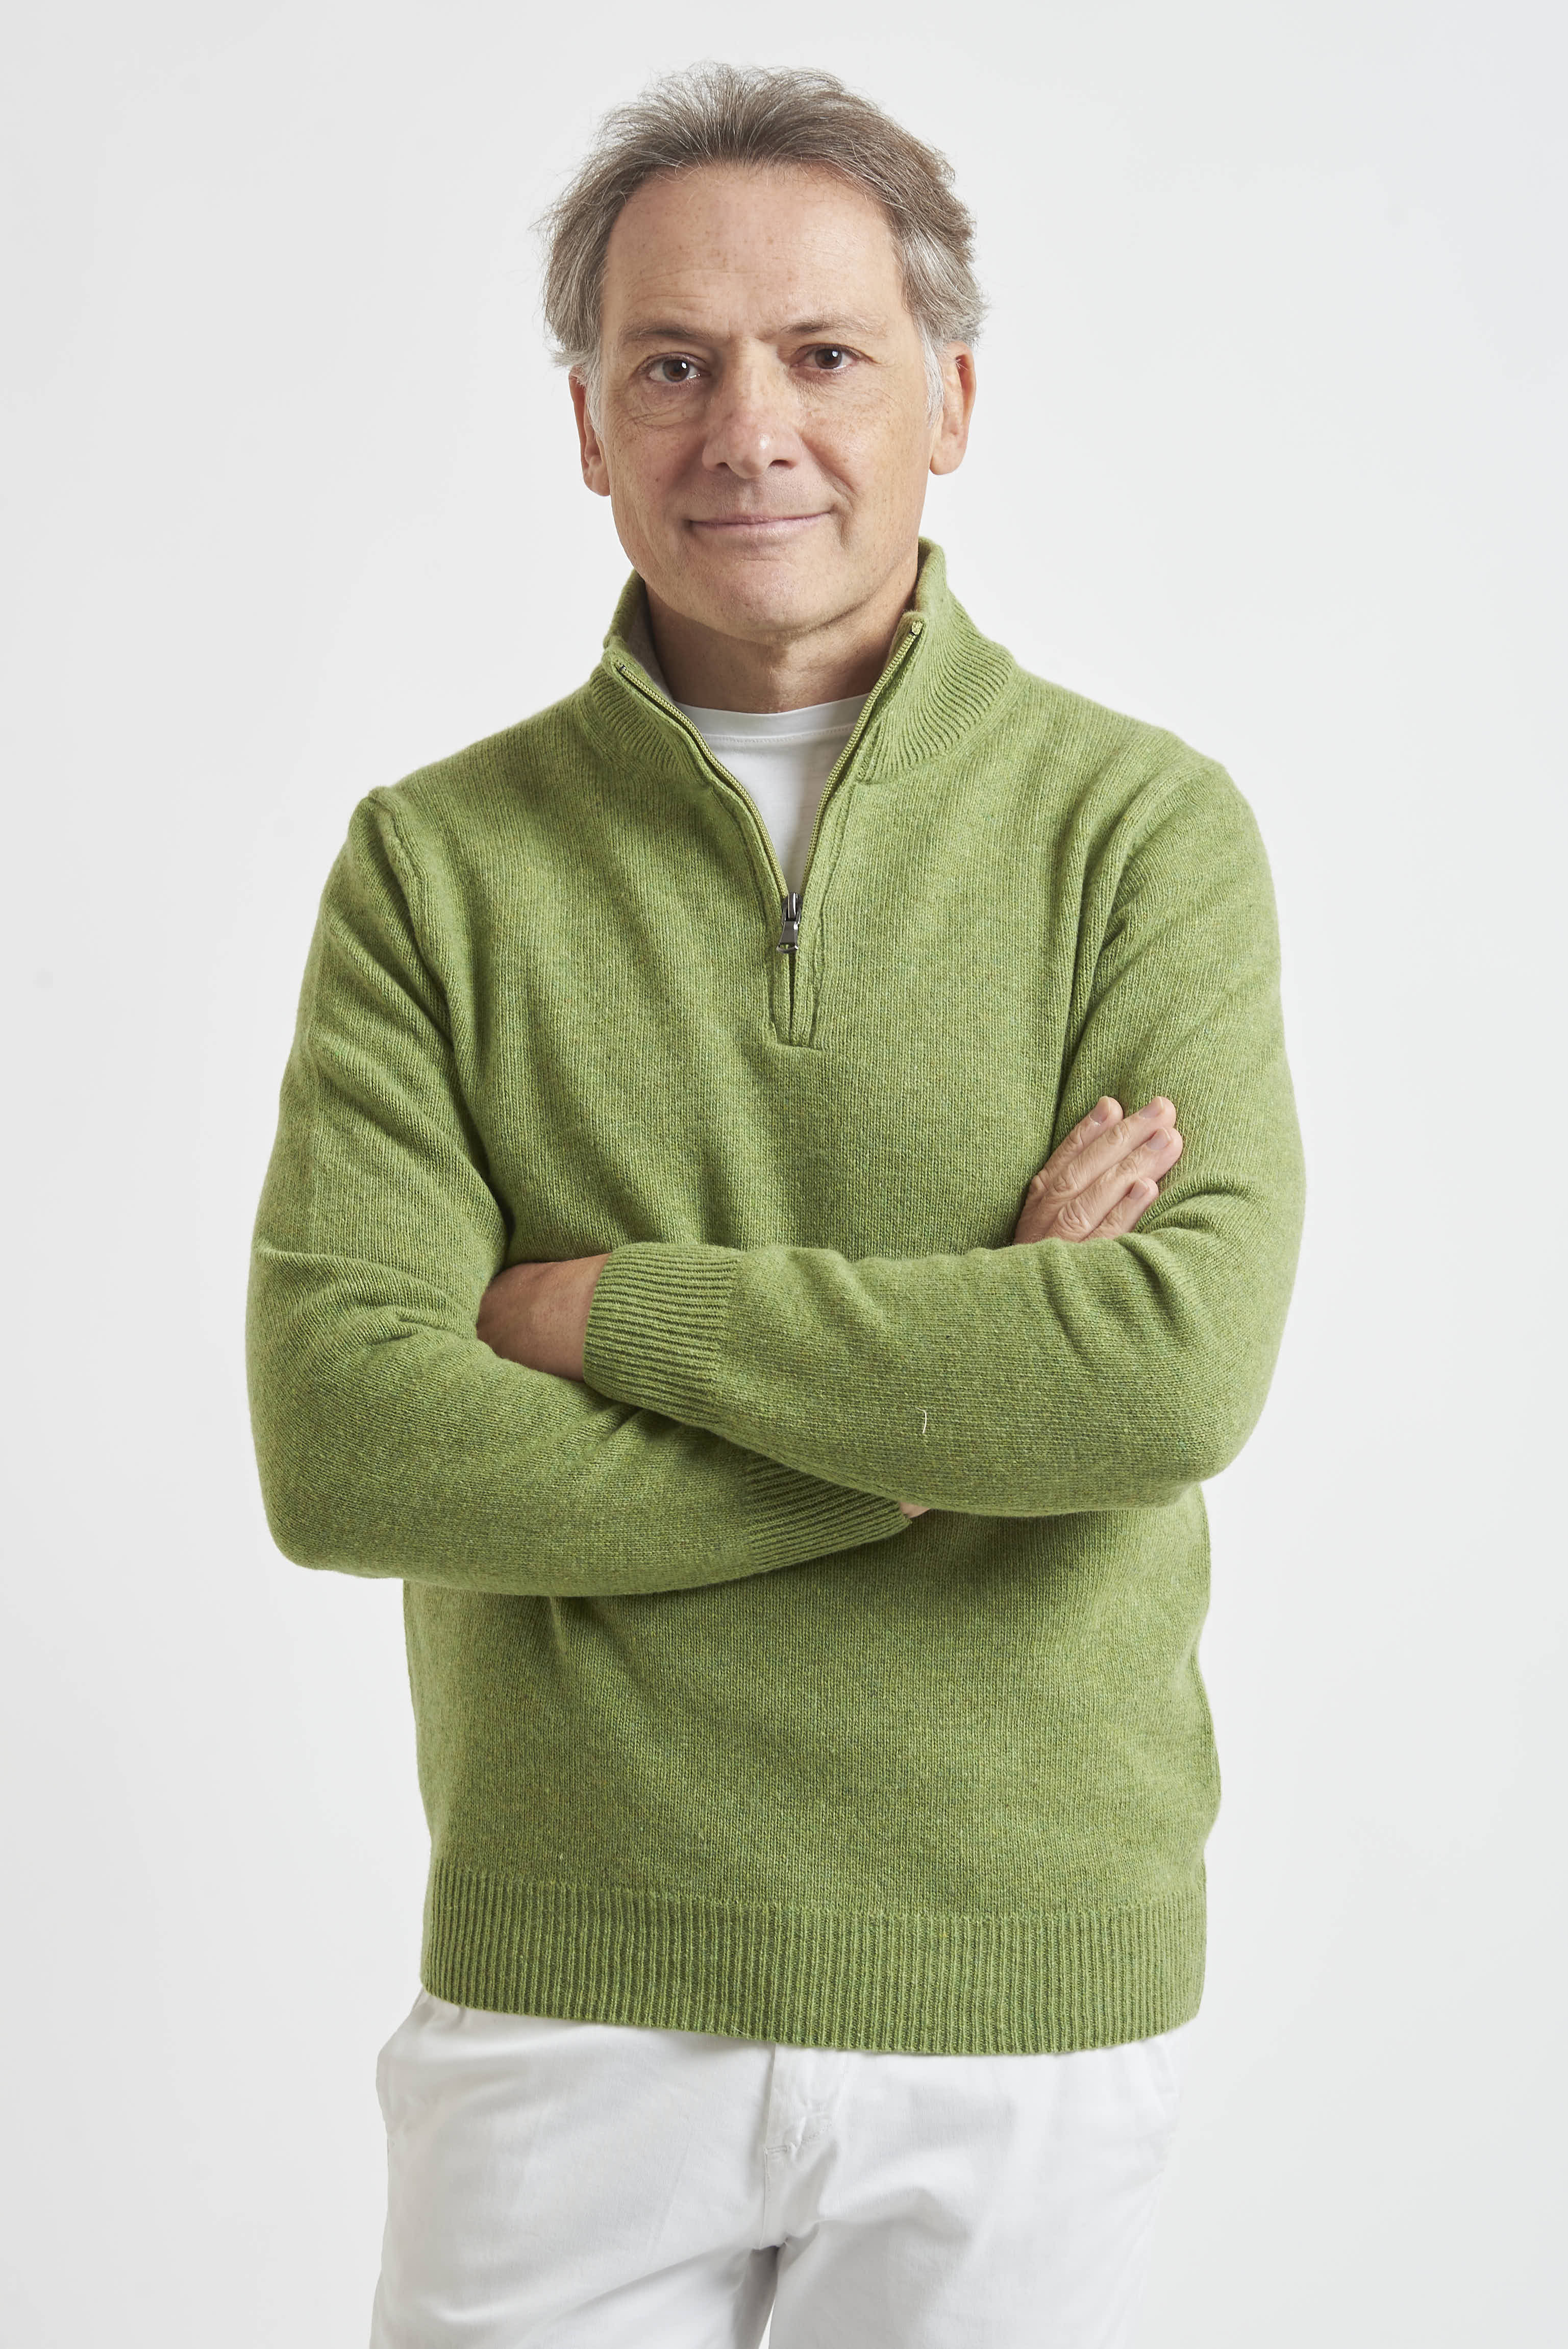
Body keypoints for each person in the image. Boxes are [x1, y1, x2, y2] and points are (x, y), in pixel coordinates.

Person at [246, 61, 1304, 2349]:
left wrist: (608, 1312)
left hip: (1022, 1987)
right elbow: (349, 1441)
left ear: (948, 399)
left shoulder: (1140, 834)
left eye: (822, 354)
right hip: (569, 1980)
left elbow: (1162, 1377)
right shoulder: (435, 867)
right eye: (671, 364)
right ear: (587, 423)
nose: (749, 430)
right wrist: (928, 1441)